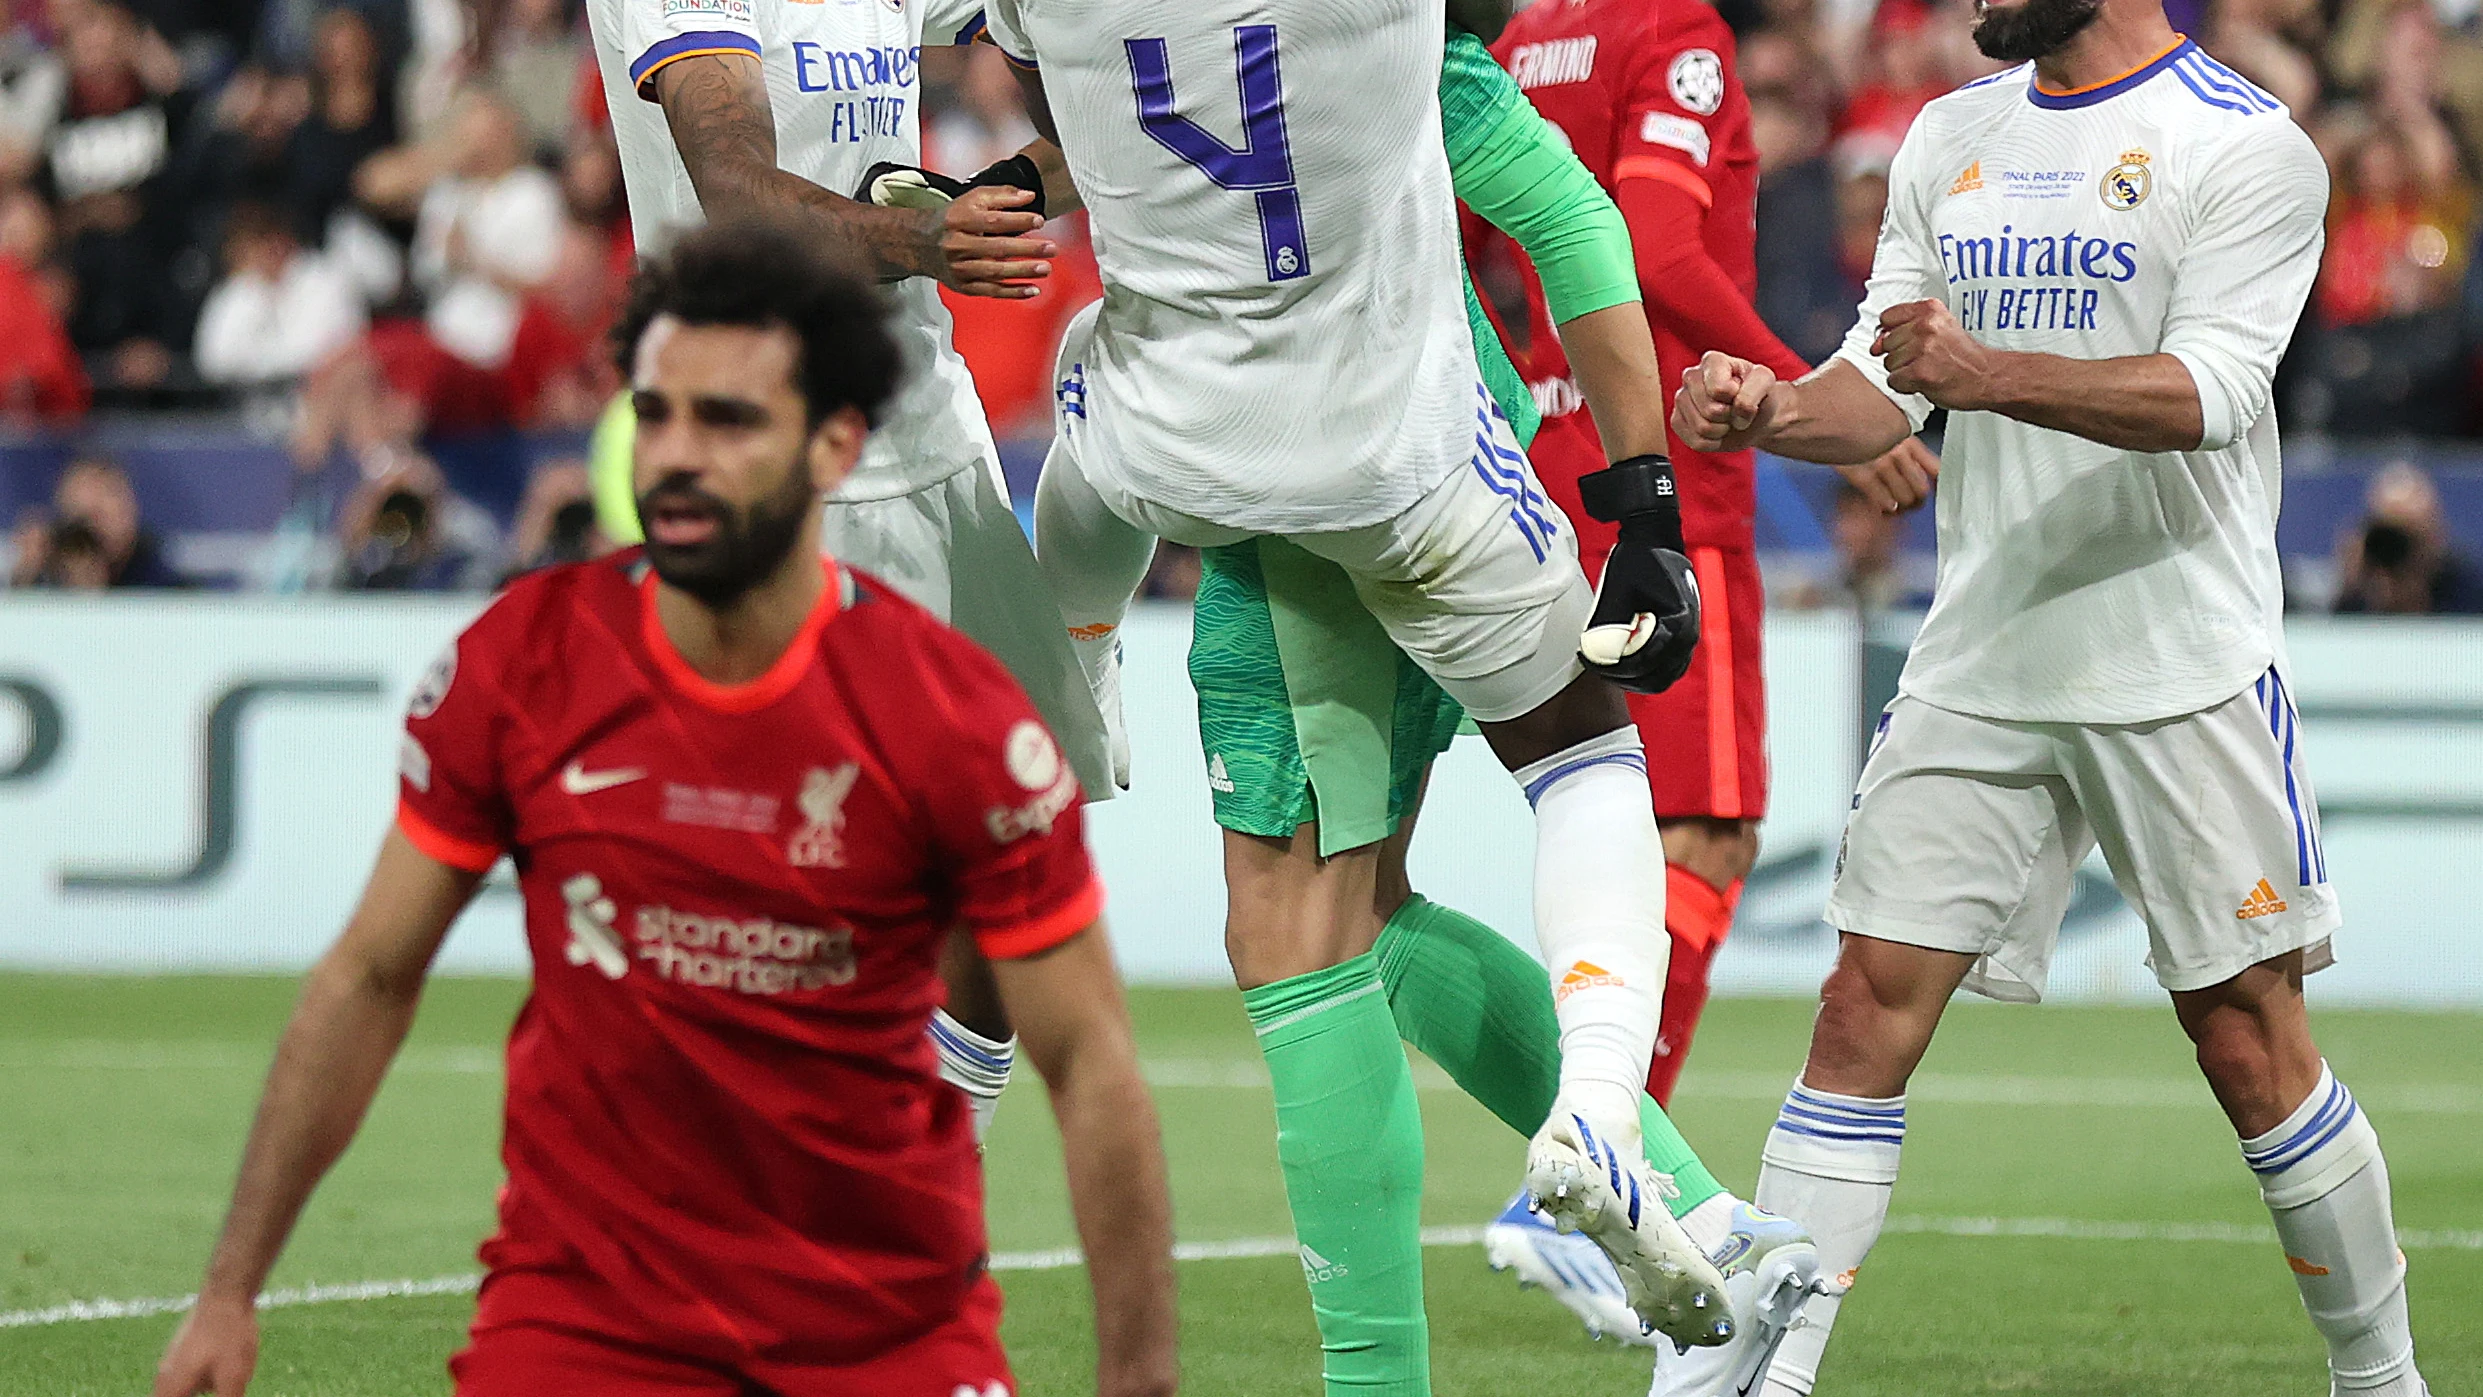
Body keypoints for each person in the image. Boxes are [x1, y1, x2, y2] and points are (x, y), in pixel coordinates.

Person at [150, 219, 1179, 1397]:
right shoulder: (522, 666)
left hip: (882, 1331)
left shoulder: (959, 719)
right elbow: (367, 978)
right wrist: (229, 1291)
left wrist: (1136, 1381)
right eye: (659, 413)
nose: (677, 456)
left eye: (728, 420)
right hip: (583, 1327)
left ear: (834, 444)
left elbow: (1089, 1060)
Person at [958, 9, 1827, 1376]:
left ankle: (1062, 704)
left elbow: (1070, 91)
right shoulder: (1404, 36)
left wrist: (969, 199)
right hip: (1406, 455)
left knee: (1298, 933)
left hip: (1205, 460)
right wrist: (1640, 508)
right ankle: (1692, 1200)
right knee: (1412, 878)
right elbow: (1572, 221)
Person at [1671, 0, 2434, 1389]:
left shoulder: (2245, 145)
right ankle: (1732, 1383)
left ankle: (2379, 1378)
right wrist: (1774, 409)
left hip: (2175, 659)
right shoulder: (1949, 134)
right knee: (1860, 1008)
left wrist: (1982, 373)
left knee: (2247, 1042)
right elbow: (1877, 380)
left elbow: (2207, 391)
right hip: (1984, 647)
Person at [581, 0, 1113, 1131]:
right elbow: (737, 192)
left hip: (930, 435)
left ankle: (923, 1158)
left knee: (1025, 819)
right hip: (769, 469)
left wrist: (1005, 189)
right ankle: (755, 1205)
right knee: (784, 881)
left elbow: (1073, 92)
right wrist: (927, 240)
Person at [2332, 461, 2483, 615]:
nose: (2396, 549)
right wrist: (2354, 583)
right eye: (2389, 536)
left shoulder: (2467, 589)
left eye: (2411, 535)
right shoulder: (2359, 590)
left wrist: (2417, 594)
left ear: (2435, 534)